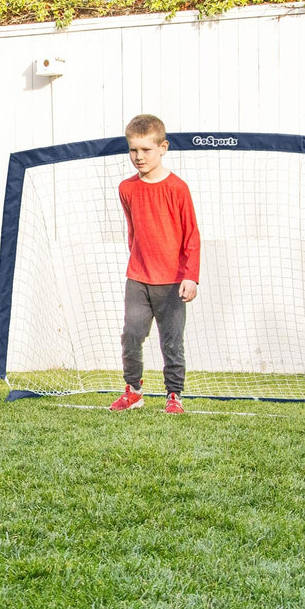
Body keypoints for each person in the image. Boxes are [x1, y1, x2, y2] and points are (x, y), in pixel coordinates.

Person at [110, 114, 200, 415]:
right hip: (138, 279)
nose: (139, 157)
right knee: (131, 334)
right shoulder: (126, 188)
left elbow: (191, 236)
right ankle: (133, 391)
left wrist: (191, 277)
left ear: (163, 148)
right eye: (133, 150)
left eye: (146, 150)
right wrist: (138, 263)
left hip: (173, 282)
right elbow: (134, 232)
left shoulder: (178, 188)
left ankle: (174, 395)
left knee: (172, 342)